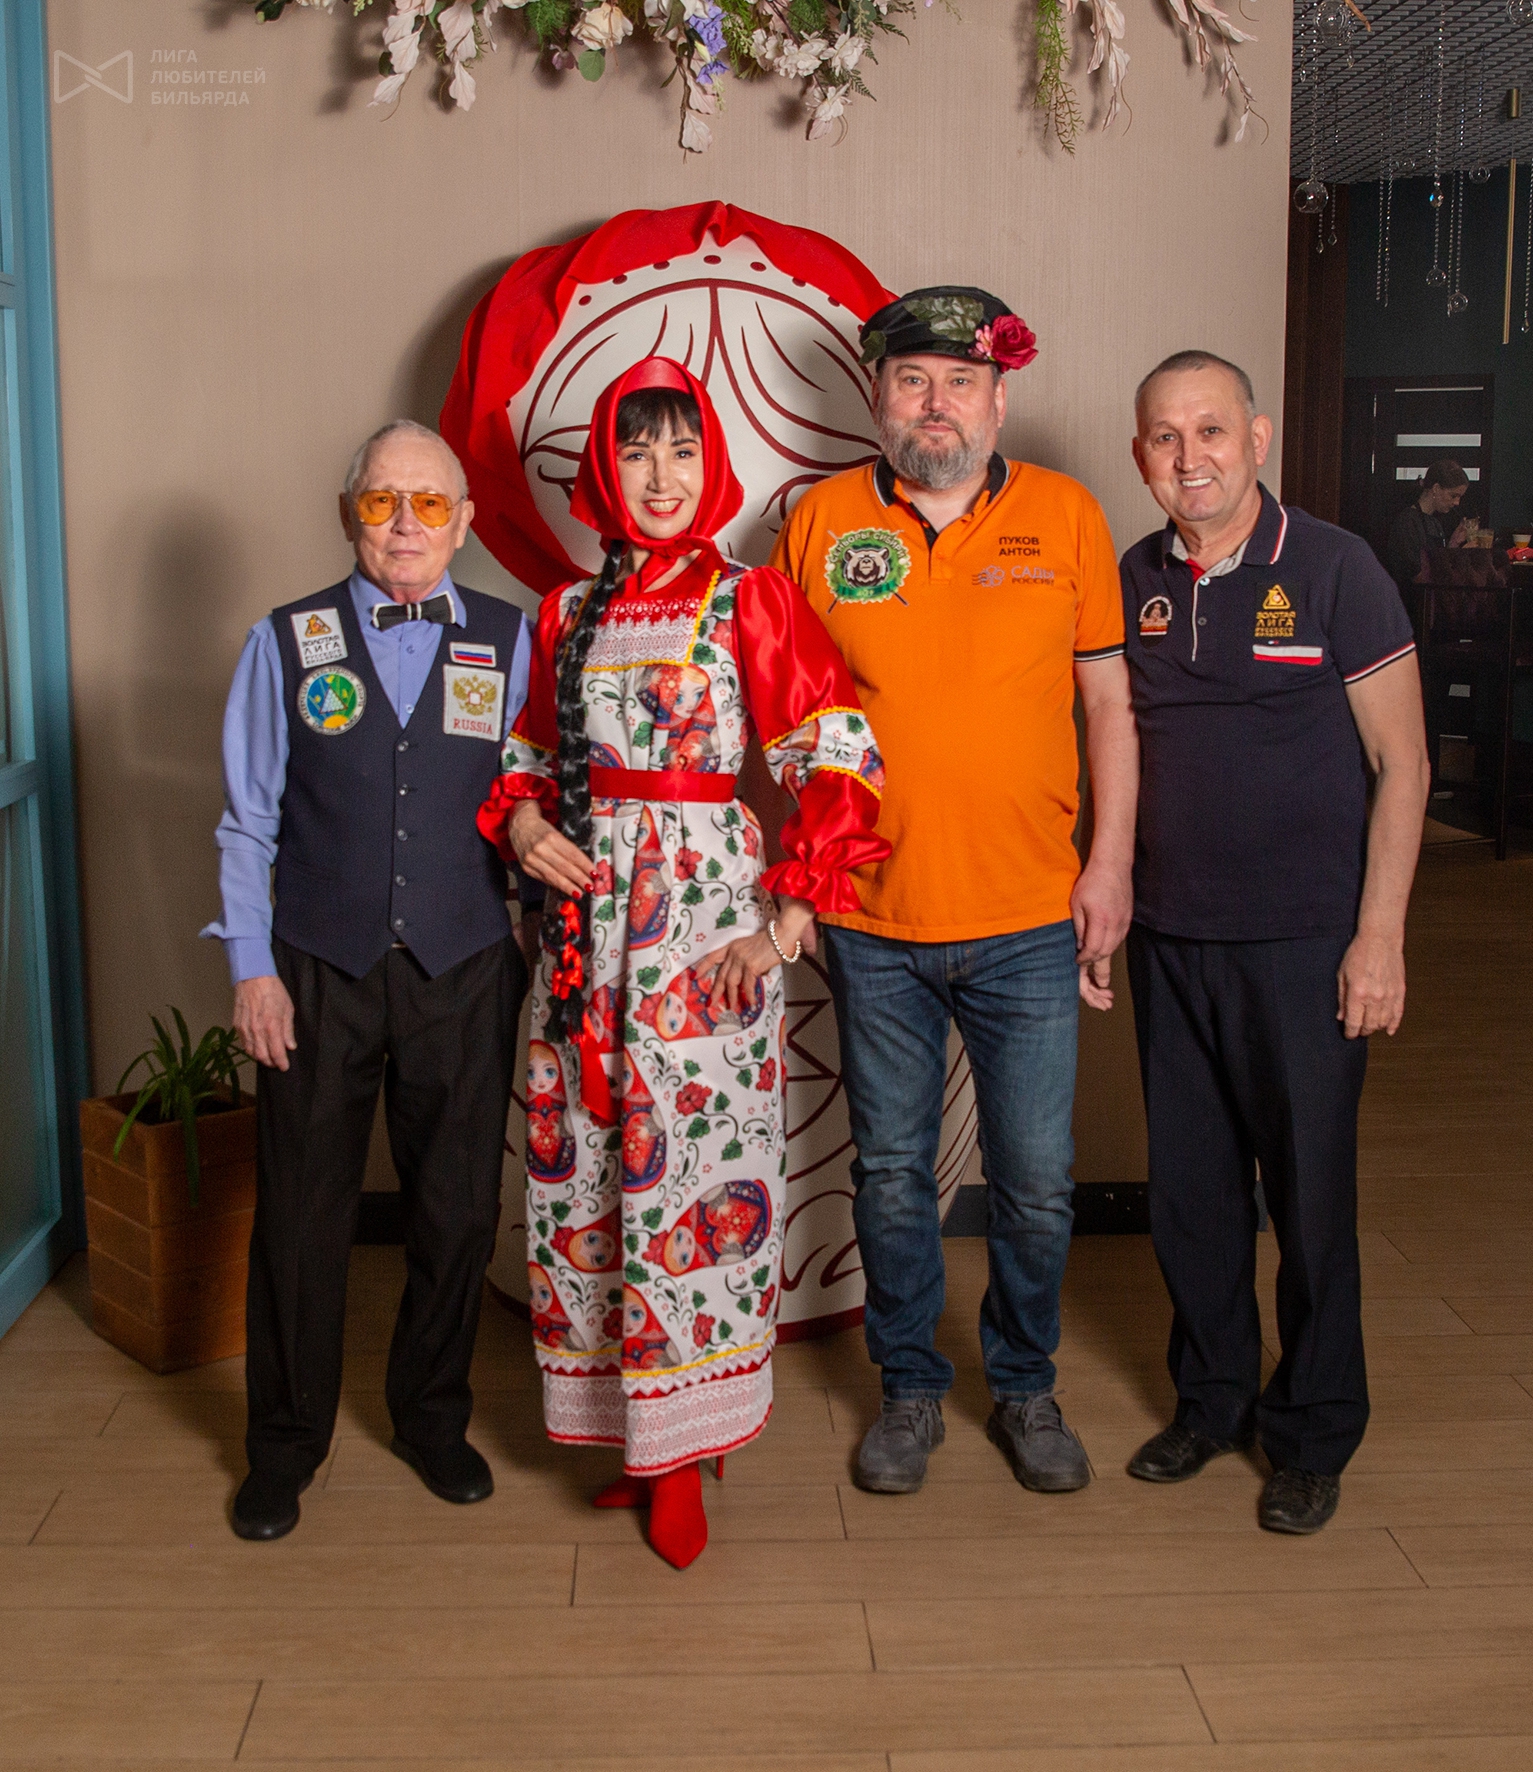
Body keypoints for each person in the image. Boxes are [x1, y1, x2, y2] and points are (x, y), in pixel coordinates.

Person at [478, 357, 888, 1568]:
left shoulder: (752, 598)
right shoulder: (564, 610)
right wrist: (525, 823)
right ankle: (633, 1433)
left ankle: (684, 1453)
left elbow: (839, 753)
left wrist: (783, 925)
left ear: (710, 468)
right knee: (587, 1164)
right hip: (581, 927)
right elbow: (524, 759)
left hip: (704, 921)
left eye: (682, 450)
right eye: (637, 449)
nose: (660, 476)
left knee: (694, 1172)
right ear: (605, 469)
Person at [768, 287, 1139, 1497]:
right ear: (877, 395)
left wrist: (1110, 863)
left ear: (999, 396)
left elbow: (1108, 704)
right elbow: (785, 716)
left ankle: (1025, 1383)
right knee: (891, 1173)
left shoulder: (1067, 514)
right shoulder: (819, 520)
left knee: (1034, 1180)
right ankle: (910, 1389)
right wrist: (802, 875)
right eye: (914, 379)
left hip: (1030, 915)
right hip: (870, 918)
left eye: (962, 381)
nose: (939, 403)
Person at [202, 419, 539, 1542]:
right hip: (316, 967)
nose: (405, 524)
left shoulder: (513, 639)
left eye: (429, 503)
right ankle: (284, 1443)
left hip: (465, 963)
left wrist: (534, 933)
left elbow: (539, 799)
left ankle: (432, 1417)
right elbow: (247, 821)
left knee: (457, 1208)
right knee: (301, 1215)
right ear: (350, 514)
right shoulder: (284, 640)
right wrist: (252, 967)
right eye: (382, 501)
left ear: (463, 521)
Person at [1121, 350, 1430, 1534]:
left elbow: (1405, 762)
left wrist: (1379, 936)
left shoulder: (1338, 568)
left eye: (1210, 430)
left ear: (1256, 438)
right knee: (1192, 1197)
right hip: (1170, 935)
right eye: (1164, 436)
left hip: (1306, 942)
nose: (1188, 456)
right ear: (1141, 454)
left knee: (1308, 1199)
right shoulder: (1134, 579)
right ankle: (1212, 1401)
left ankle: (1313, 1428)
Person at [1386, 459, 1470, 593]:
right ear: (1436, 488)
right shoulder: (1407, 522)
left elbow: (1436, 565)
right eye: (1453, 495)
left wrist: (1453, 544)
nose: (1457, 502)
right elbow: (1417, 576)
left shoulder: (1434, 523)